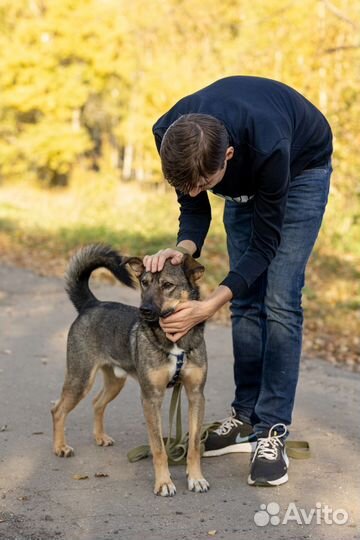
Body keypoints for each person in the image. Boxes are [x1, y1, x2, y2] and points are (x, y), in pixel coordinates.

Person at [143, 76, 332, 487]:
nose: (194, 191)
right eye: (184, 185)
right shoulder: (171, 134)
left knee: (279, 300)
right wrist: (183, 251)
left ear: (227, 155)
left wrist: (211, 303)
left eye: (205, 185)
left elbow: (264, 247)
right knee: (245, 303)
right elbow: (193, 209)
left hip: (298, 170)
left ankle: (272, 431)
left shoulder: (269, 144)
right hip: (246, 174)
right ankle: (244, 418)